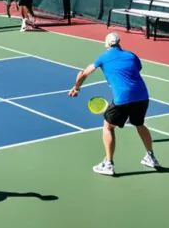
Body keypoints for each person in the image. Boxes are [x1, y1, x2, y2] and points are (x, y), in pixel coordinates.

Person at [68, 31, 160, 176]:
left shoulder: (103, 57)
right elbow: (136, 69)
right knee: (139, 124)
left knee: (108, 127)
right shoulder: (131, 55)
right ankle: (151, 157)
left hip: (123, 98)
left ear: (106, 44)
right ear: (119, 43)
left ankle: (109, 164)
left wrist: (76, 87)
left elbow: (84, 73)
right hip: (142, 96)